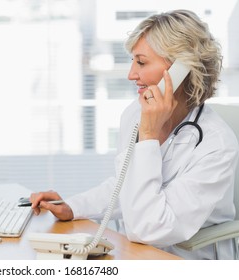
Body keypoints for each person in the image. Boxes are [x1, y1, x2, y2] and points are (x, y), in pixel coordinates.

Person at [30, 10, 238, 259]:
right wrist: (73, 207)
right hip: (139, 253)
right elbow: (128, 186)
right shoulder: (134, 114)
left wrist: (148, 136)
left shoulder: (216, 145)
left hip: (188, 260)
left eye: (141, 62)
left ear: (181, 69)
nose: (131, 74)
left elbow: (150, 228)